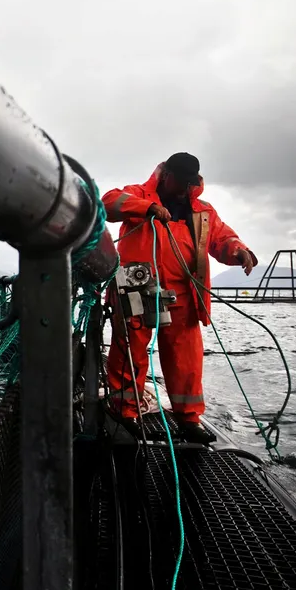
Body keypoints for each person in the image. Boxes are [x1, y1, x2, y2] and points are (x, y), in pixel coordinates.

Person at [101, 152, 258, 444]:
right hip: (138, 288)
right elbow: (107, 203)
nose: (185, 189)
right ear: (167, 175)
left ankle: (188, 419)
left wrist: (239, 252)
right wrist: (147, 207)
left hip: (184, 293)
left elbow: (222, 240)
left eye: (191, 183)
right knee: (129, 350)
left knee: (186, 358)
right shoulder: (137, 194)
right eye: (181, 182)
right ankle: (124, 412)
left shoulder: (203, 210)